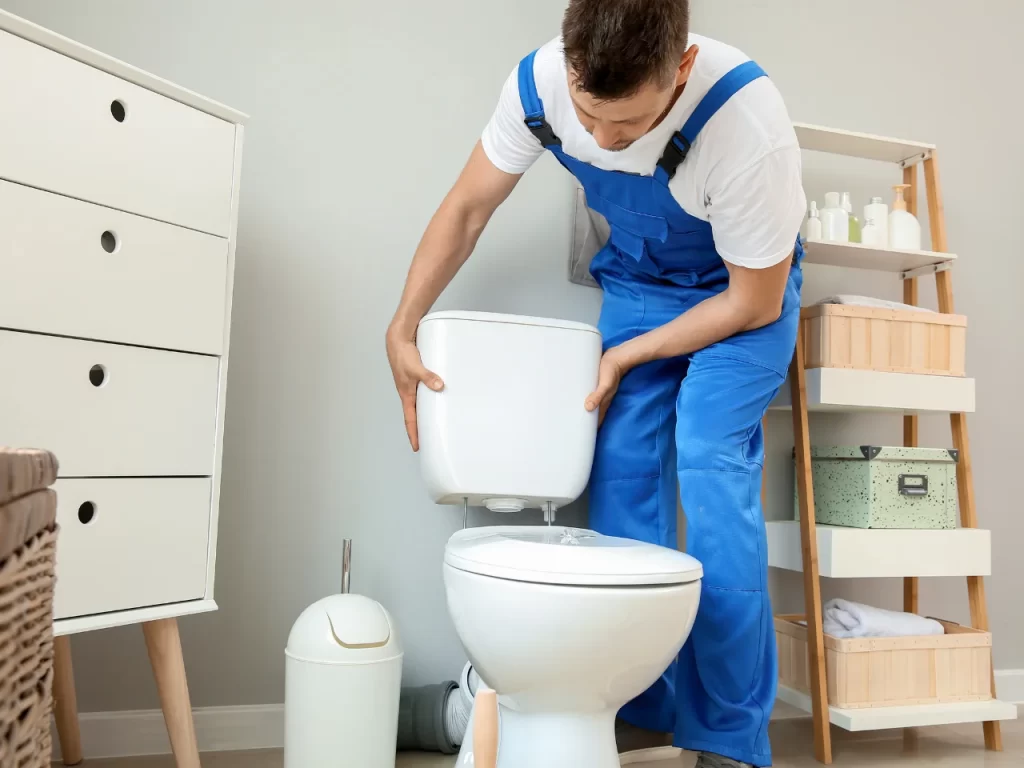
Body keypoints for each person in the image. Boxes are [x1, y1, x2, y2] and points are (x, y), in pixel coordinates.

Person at [386, 1, 805, 765]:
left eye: (632, 125)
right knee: (619, 472)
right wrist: (403, 324)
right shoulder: (541, 85)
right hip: (642, 283)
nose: (607, 143)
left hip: (741, 294)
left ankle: (727, 738)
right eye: (591, 116)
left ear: (679, 71)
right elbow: (471, 206)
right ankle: (639, 704)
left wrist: (626, 356)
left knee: (710, 461)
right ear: (570, 66)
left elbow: (755, 300)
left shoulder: (747, 125)